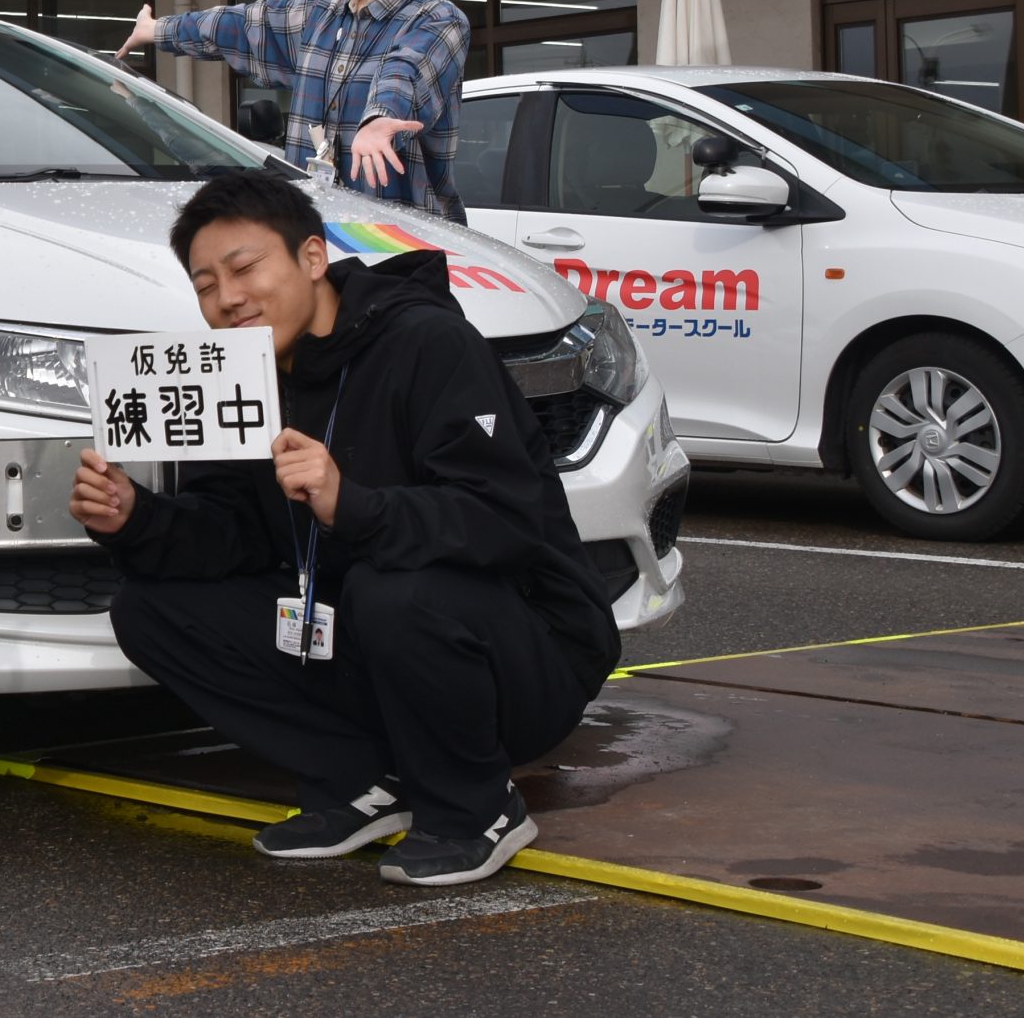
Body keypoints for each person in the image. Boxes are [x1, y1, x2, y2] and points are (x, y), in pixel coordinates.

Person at [72, 172, 617, 886]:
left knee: (393, 588)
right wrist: (135, 518)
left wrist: (350, 503)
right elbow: (234, 533)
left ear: (311, 257)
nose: (227, 298)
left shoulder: (428, 342)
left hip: (524, 660)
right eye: (206, 285)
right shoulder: (239, 377)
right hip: (365, 642)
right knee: (149, 610)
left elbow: (504, 521)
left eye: (244, 267)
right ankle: (363, 782)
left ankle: (476, 808)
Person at [121, 0, 470, 222]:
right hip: (311, 234)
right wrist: (156, 30)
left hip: (399, 244)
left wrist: (380, 119)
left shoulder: (439, 21)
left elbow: (406, 70)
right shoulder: (318, 14)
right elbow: (238, 25)